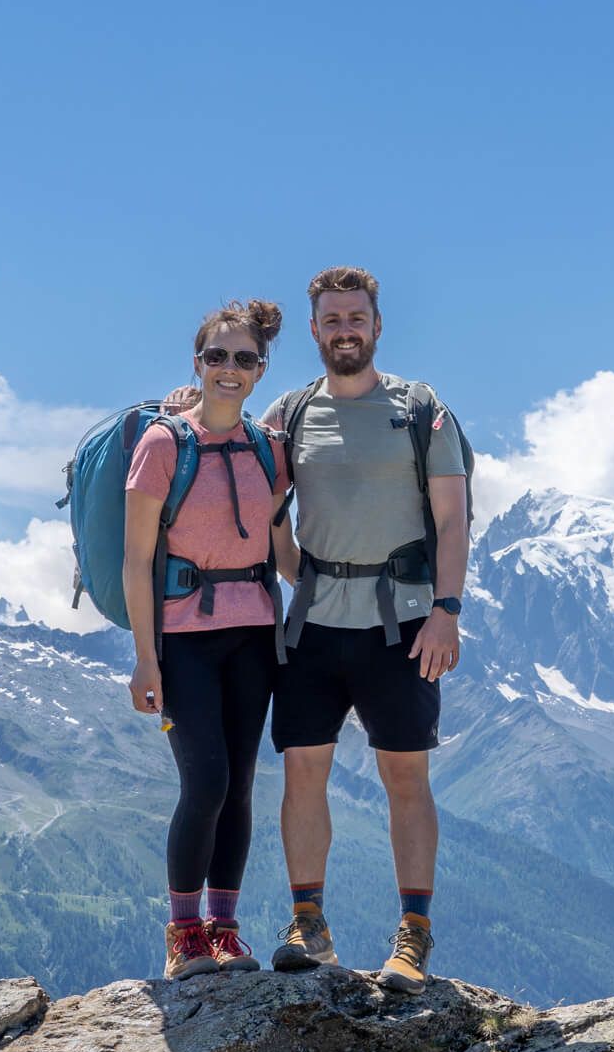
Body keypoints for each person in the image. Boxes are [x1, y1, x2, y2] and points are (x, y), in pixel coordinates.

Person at [265, 266, 468, 994]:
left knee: (405, 775)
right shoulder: (288, 415)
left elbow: (452, 517)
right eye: (331, 319)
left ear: (377, 326)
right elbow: (256, 500)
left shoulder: (419, 409)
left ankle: (413, 935)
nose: (344, 329)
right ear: (314, 330)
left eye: (356, 318)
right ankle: (308, 925)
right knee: (303, 771)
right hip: (314, 624)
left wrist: (447, 610)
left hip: (404, 625)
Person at [124, 300, 289, 980]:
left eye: (243, 358)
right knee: (207, 781)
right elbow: (137, 559)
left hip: (254, 635)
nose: (229, 369)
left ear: (260, 370)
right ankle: (184, 935)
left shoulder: (269, 448)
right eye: (217, 357)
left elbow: (285, 552)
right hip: (184, 639)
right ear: (197, 364)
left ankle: (224, 930)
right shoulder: (163, 444)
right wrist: (143, 657)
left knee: (242, 785)